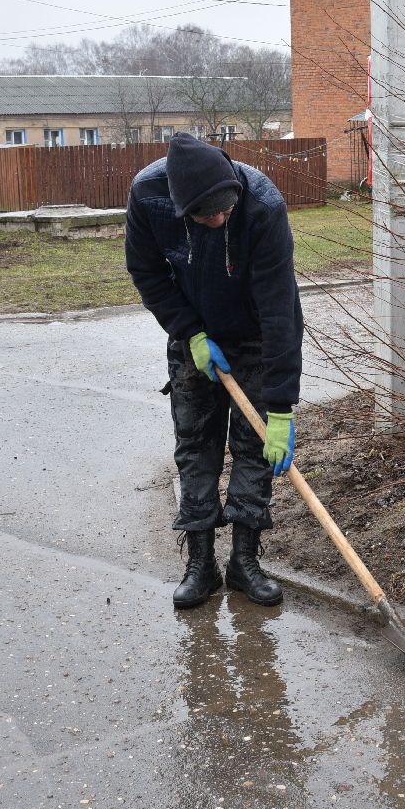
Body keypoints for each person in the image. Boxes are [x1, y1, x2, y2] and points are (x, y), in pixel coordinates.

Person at [125, 132, 304, 610]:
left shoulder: (262, 204)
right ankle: (200, 564)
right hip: (194, 334)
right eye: (208, 215)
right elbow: (146, 273)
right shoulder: (149, 196)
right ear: (183, 207)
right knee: (196, 445)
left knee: (253, 446)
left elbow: (279, 307)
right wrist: (191, 332)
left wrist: (281, 407)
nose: (221, 219)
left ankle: (244, 562)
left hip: (255, 334)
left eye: (226, 210)